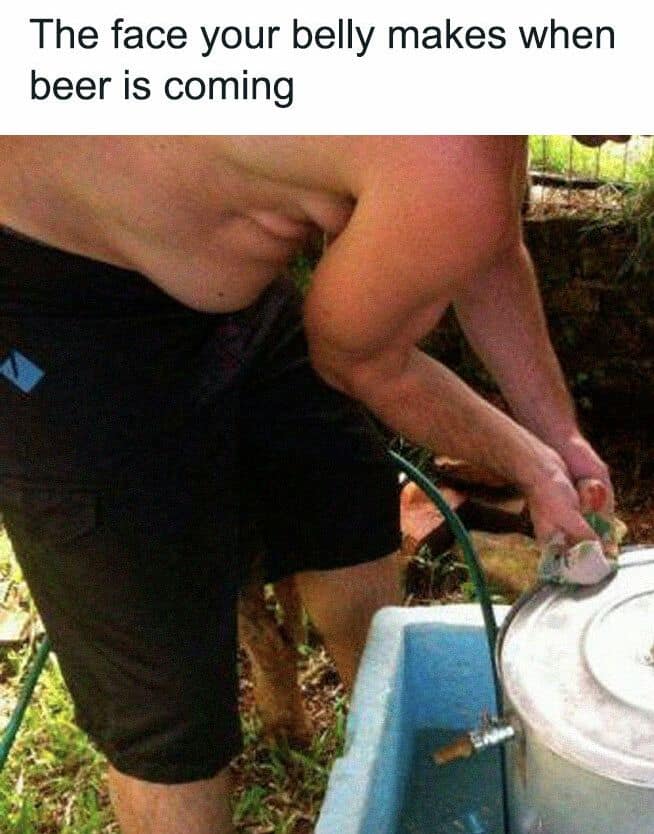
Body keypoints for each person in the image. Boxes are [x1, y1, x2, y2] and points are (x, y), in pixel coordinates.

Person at [0, 135, 613, 833]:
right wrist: (533, 466)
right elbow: (365, 364)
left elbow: (489, 248)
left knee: (348, 517)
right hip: (44, 300)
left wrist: (561, 438)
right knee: (166, 709)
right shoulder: (451, 150)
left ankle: (396, 772)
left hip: (222, 282)